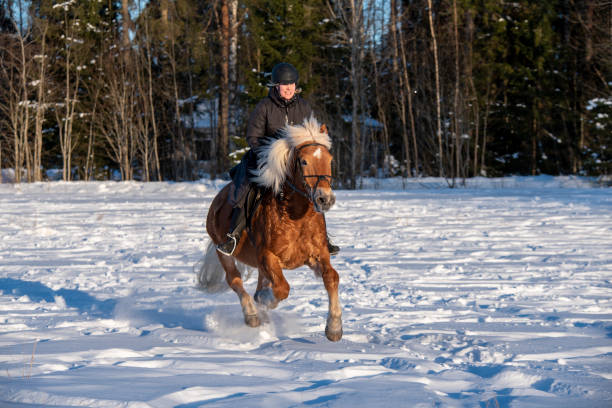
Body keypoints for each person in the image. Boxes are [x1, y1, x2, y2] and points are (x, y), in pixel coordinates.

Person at [217, 62, 340, 256]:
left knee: (314, 188)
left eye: (291, 84)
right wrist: (268, 154)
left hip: (294, 163)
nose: (289, 88)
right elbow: (253, 136)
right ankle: (234, 234)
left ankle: (324, 237)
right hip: (265, 159)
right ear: (276, 86)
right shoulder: (264, 107)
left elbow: (311, 134)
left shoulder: (303, 106)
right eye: (284, 85)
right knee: (247, 186)